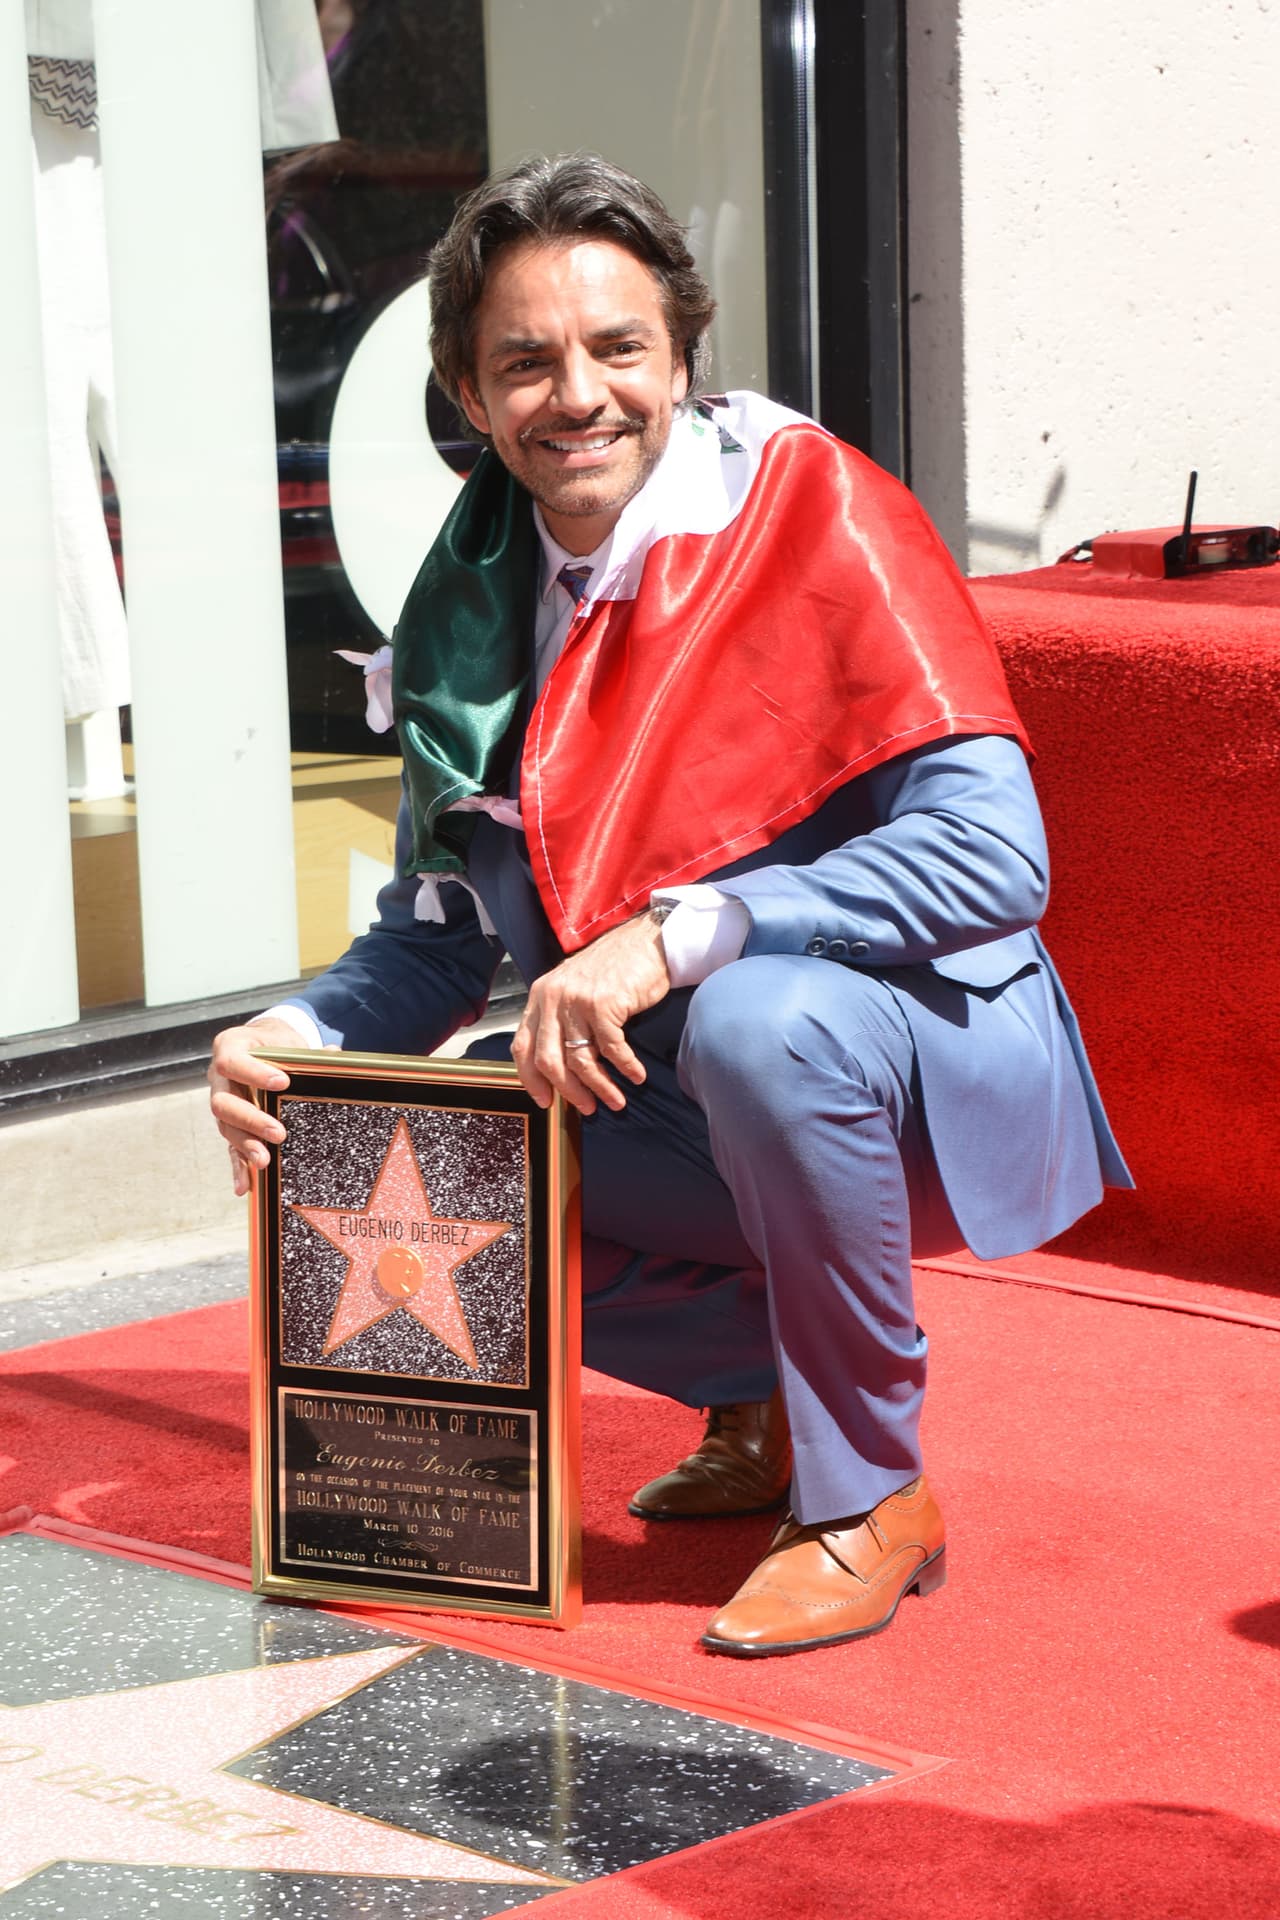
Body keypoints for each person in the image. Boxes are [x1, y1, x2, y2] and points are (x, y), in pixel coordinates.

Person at [210, 153, 1130, 1659]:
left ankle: (868, 1496)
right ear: (465, 387)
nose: (576, 395)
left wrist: (680, 928)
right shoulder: (471, 604)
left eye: (616, 349)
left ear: (682, 356)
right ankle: (764, 1397)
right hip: (688, 1089)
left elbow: (994, 860)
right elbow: (439, 938)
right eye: (525, 362)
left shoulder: (819, 510)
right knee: (397, 1152)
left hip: (916, 1067)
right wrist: (292, 1031)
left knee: (760, 1022)